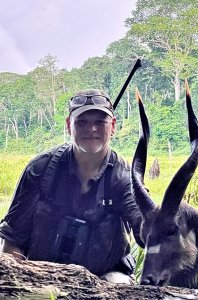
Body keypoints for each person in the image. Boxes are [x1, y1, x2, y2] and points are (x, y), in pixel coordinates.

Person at [0, 89, 144, 284]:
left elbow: (147, 232)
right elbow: (12, 240)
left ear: (113, 126)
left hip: (105, 280)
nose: (91, 129)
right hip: (39, 275)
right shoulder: (40, 169)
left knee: (118, 282)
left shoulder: (125, 179)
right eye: (82, 122)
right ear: (69, 125)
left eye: (100, 122)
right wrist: (19, 279)